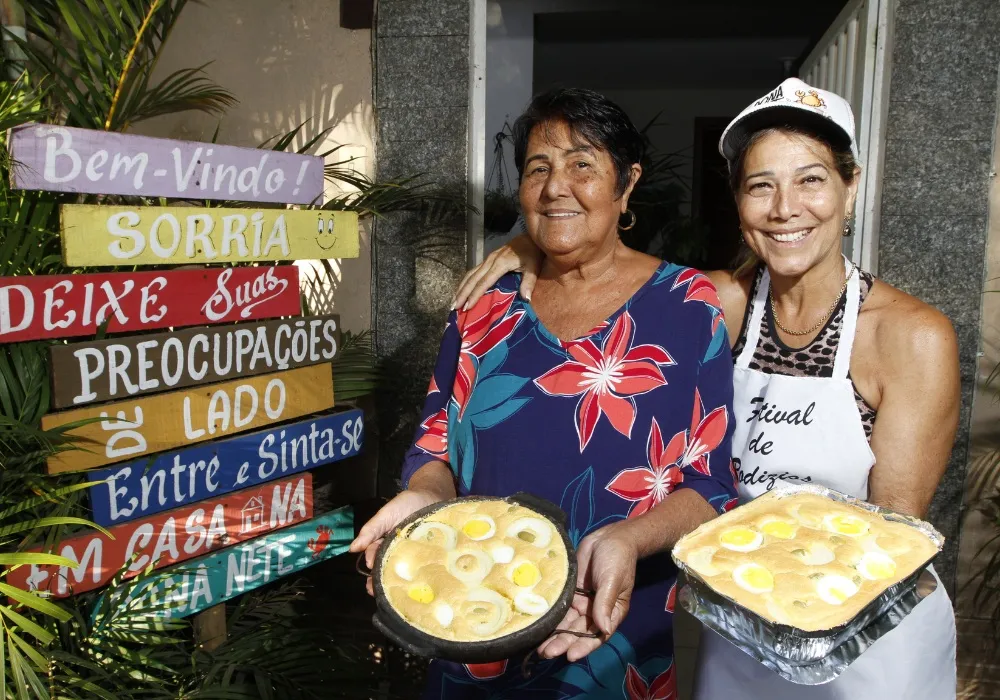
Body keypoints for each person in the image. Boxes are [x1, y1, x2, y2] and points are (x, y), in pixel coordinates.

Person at [453, 77, 960, 699]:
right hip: (739, 627)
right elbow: (609, 264)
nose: (784, 208)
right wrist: (532, 242)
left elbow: (891, 542)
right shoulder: (719, 303)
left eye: (811, 179)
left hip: (863, 642)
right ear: (739, 202)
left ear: (850, 188)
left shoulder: (912, 337)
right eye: (760, 186)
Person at [350, 87, 738, 699]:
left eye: (583, 164)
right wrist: (421, 498)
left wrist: (627, 540)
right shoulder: (483, 309)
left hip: (613, 632)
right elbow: (435, 448)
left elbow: (710, 484)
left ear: (626, 183)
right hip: (472, 626)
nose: (557, 186)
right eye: (539, 168)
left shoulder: (686, 306)